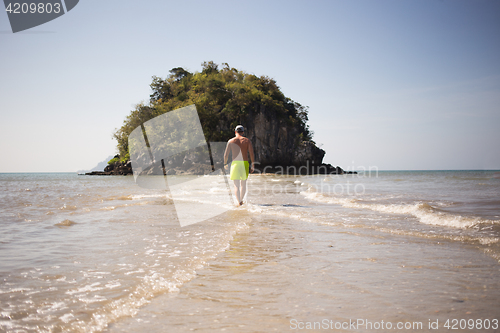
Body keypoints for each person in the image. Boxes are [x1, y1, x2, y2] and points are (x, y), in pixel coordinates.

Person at [224, 125, 255, 206]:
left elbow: (226, 155)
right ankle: (241, 199)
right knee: (243, 184)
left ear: (235, 132)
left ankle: (239, 202)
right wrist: (253, 165)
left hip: (235, 164)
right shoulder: (247, 141)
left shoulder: (231, 141)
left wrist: (225, 163)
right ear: (243, 132)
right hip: (244, 163)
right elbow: (251, 153)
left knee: (236, 185)